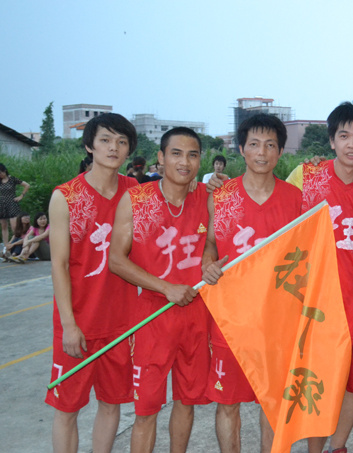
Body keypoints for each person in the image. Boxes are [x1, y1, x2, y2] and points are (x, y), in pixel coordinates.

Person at [284, 101, 353, 453]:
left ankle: (338, 447)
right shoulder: (305, 176)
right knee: (317, 380)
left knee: (352, 384)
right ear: (331, 141)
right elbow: (270, 206)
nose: (352, 144)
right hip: (312, 301)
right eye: (344, 135)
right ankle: (315, 449)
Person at [201, 114, 302, 453]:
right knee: (227, 403)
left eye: (270, 145)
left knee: (274, 404)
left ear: (280, 152)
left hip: (278, 320)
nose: (262, 152)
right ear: (241, 149)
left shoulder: (296, 199)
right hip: (230, 319)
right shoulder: (220, 196)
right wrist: (207, 264)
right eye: (254, 144)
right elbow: (210, 244)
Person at [108, 127, 212, 453]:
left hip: (197, 316)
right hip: (152, 317)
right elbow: (116, 260)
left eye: (193, 155)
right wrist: (166, 288)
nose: (184, 162)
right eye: (176, 154)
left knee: (187, 401)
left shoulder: (208, 196)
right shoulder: (136, 200)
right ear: (161, 157)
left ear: (200, 161)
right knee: (146, 410)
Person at [45, 113, 138, 453]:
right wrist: (69, 325)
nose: (114, 148)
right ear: (89, 146)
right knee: (67, 408)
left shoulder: (137, 193)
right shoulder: (65, 197)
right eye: (105, 140)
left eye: (122, 142)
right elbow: (59, 264)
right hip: (79, 322)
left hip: (121, 323)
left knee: (112, 404)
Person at [0, 163, 30, 246]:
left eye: (0, 172)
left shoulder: (12, 179)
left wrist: (21, 195)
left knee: (14, 226)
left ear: (5, 170)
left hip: (12, 203)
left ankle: (16, 244)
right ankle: (6, 245)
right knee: (4, 226)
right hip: (2, 204)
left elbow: (27, 185)